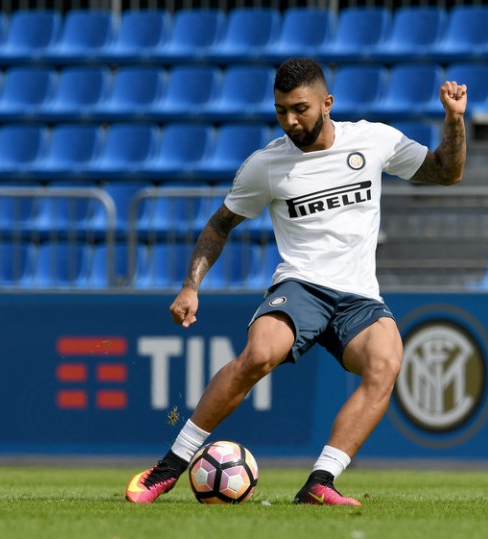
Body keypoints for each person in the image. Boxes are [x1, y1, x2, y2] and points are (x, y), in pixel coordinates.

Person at [126, 57, 466, 506]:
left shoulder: (373, 140)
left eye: (300, 109)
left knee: (386, 362)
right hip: (301, 286)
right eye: (281, 110)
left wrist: (454, 120)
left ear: (327, 103)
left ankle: (320, 483)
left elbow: (447, 172)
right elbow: (219, 225)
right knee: (259, 355)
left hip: (359, 296)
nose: (290, 120)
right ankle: (168, 468)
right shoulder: (266, 165)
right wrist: (191, 285)